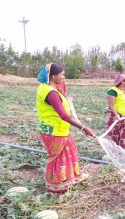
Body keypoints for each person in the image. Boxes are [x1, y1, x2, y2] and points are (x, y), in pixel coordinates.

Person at [36, 63, 95, 193]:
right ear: (53, 76)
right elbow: (63, 115)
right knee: (58, 158)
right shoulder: (51, 93)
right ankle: (57, 187)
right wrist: (83, 127)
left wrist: (61, 82)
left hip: (59, 129)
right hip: (54, 131)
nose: (64, 77)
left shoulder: (46, 87)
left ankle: (70, 178)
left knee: (70, 150)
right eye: (62, 75)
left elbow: (62, 89)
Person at [106, 74, 125, 154]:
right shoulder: (113, 91)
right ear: (122, 82)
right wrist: (116, 115)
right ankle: (114, 153)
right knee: (115, 135)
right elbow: (111, 105)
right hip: (116, 117)